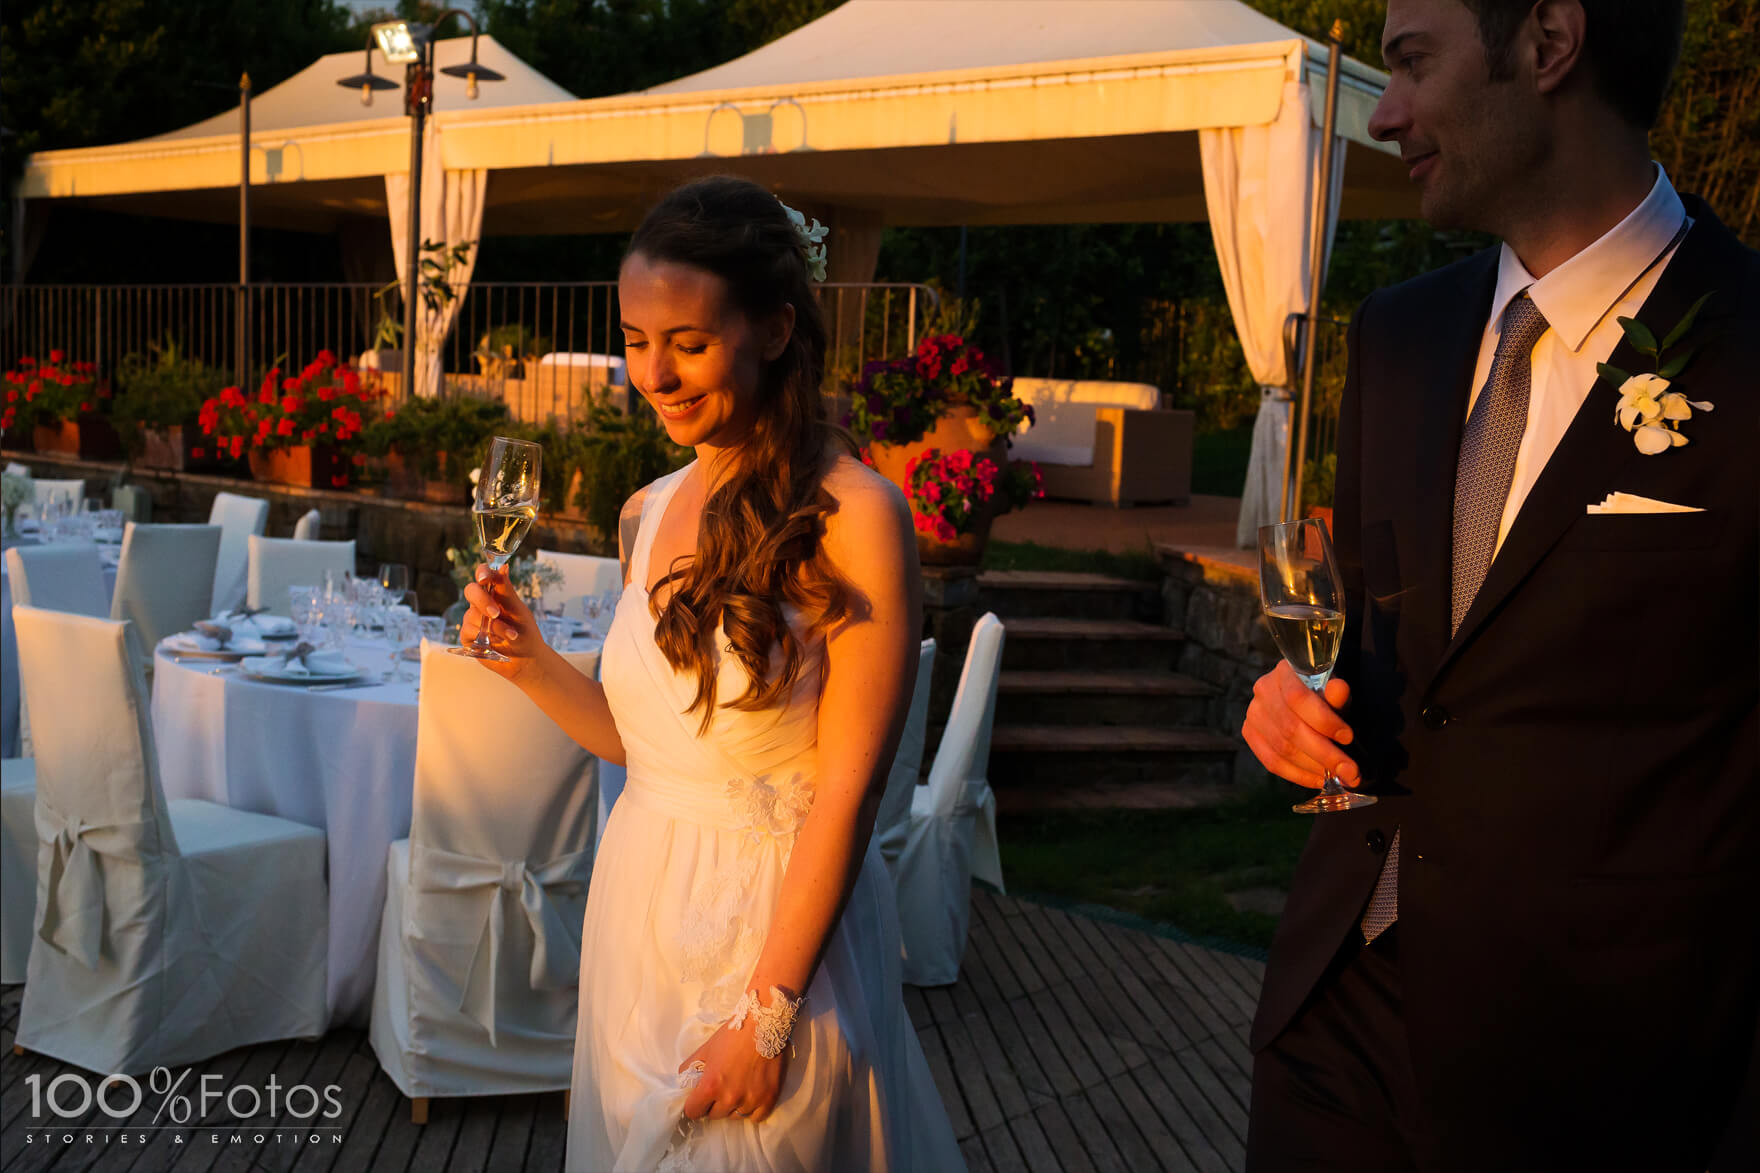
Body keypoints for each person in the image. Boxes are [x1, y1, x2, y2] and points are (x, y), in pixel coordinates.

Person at [1239, 1, 1758, 1169]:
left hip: (1599, 1077)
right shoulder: (1399, 336)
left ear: (1550, 43)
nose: (1384, 115)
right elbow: (1390, 649)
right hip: (1337, 1030)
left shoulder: (1749, 347)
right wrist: (1293, 696)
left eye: (1411, 64)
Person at [461, 175, 965, 1172]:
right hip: (636, 909)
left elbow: (851, 795)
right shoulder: (644, 508)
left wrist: (766, 1018)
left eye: (687, 343)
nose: (654, 374)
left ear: (774, 330)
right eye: (635, 339)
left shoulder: (857, 514)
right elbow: (640, 743)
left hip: (771, 944)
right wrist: (528, 663)